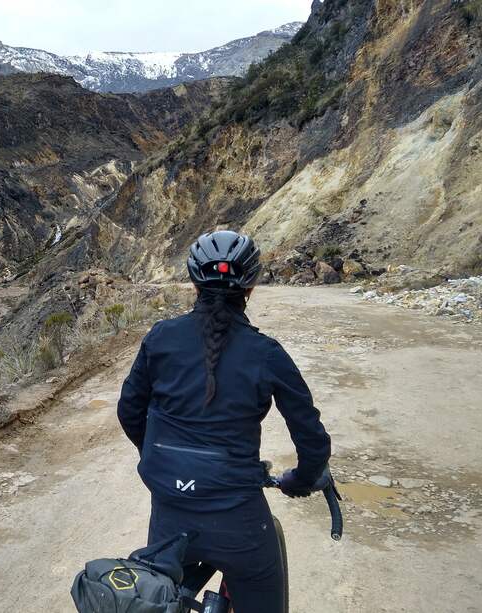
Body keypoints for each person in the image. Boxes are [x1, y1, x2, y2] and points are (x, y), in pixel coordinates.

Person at [117, 230, 331, 613]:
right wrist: (301, 480)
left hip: (169, 516)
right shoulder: (266, 353)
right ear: (251, 286)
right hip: (240, 524)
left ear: (194, 283)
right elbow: (311, 438)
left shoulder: (160, 337)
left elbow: (129, 412)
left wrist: (165, 459)